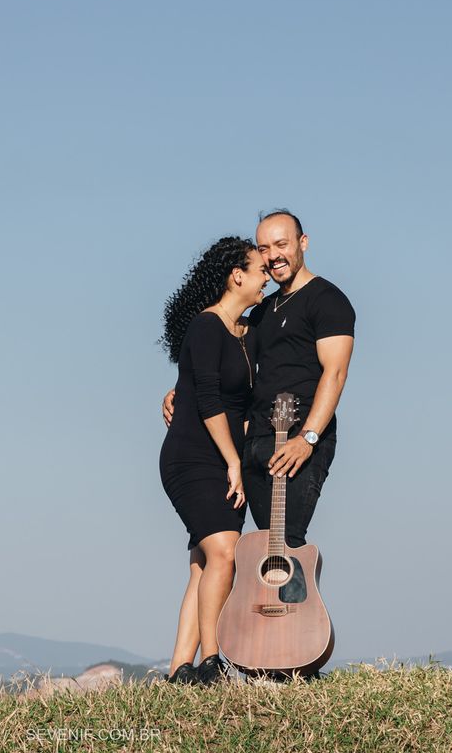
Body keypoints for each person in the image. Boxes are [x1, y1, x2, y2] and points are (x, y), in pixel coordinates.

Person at [163, 208, 355, 581]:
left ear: (303, 243)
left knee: (288, 547)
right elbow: (220, 361)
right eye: (264, 248)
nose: (273, 255)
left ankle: (297, 636)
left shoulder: (327, 300)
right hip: (255, 442)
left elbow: (335, 373)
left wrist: (308, 438)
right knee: (260, 550)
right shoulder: (264, 309)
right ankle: (261, 637)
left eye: (282, 244)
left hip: (297, 441)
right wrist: (179, 389)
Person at [157, 235, 269, 686]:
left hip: (224, 456)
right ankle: (212, 662)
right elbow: (206, 399)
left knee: (205, 563)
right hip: (193, 456)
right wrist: (234, 462)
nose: (267, 276)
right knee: (224, 551)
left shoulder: (247, 331)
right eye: (260, 269)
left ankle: (179, 670)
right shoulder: (205, 326)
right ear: (236, 275)